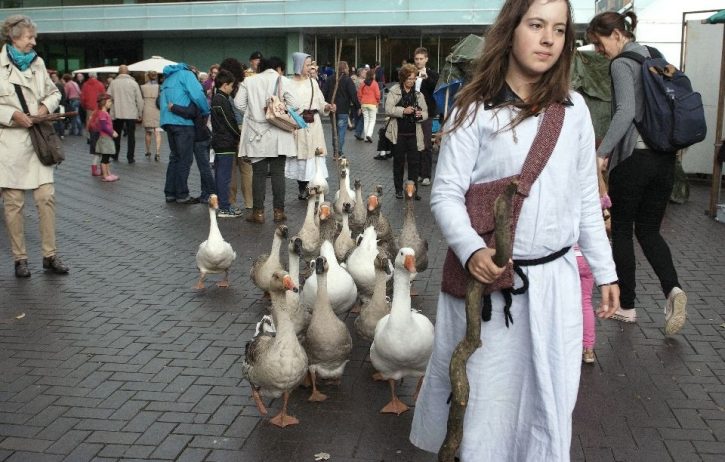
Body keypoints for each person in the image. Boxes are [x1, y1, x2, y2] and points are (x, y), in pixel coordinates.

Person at [409, 1, 620, 460]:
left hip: (555, 286)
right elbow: (445, 194)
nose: (548, 39)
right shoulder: (474, 109)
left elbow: (587, 199)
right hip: (490, 291)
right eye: (537, 25)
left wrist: (606, 272)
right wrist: (469, 251)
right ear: (511, 29)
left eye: (560, 30)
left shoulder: (575, 110)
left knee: (548, 401)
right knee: (484, 403)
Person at [587, 11, 687, 335]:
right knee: (649, 231)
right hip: (664, 159)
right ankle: (672, 290)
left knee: (622, 231)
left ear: (616, 34)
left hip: (634, 159)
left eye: (599, 43)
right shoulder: (655, 57)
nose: (600, 51)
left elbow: (626, 111)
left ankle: (627, 307)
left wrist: (601, 153)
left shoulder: (621, 64)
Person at [0, 14, 70, 277]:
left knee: (46, 198)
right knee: (14, 204)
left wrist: (44, 107)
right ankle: (20, 259)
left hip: (39, 142)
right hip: (10, 145)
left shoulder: (38, 63)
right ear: (14, 37)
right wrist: (11, 115)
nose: (34, 42)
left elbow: (54, 92)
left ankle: (50, 256)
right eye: (30, 37)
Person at [235, 56, 298, 224]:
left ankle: (258, 213)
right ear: (278, 67)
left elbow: (238, 104)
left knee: (259, 174)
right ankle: (278, 212)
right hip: (280, 133)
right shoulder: (284, 80)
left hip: (257, 134)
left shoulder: (249, 82)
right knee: (278, 173)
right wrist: (279, 110)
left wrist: (252, 115)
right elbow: (295, 105)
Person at [285, 52, 333, 201]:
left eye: (311, 64)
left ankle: (315, 186)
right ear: (299, 65)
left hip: (314, 124)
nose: (310, 67)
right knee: (302, 157)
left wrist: (327, 107)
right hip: (298, 124)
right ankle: (303, 187)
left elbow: (320, 101)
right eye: (307, 65)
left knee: (315, 156)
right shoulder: (288, 83)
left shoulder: (313, 82)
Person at [160, 62, 210, 204]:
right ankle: (182, 194)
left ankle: (170, 193)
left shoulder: (168, 78)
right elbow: (198, 95)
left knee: (174, 158)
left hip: (168, 122)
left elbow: (160, 102)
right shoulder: (186, 75)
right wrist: (205, 110)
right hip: (183, 123)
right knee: (185, 159)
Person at [383, 63, 427, 199]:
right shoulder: (394, 91)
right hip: (399, 134)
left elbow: (425, 112)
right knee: (399, 163)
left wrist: (420, 115)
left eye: (413, 79)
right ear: (403, 78)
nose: (411, 82)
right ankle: (398, 190)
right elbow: (388, 109)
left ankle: (413, 190)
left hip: (414, 133)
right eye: (409, 79)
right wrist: (403, 110)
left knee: (414, 163)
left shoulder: (418, 94)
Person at [220, 57, 253, 214]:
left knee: (231, 169)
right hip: (244, 129)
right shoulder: (244, 86)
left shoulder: (223, 88)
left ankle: (231, 200)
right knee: (247, 168)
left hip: (228, 131)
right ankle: (249, 201)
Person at [210, 69, 243, 218]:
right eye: (231, 85)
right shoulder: (221, 99)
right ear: (225, 85)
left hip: (221, 142)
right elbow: (229, 122)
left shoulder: (218, 98)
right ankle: (224, 207)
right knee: (224, 176)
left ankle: (223, 205)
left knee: (221, 175)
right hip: (225, 143)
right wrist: (238, 134)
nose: (232, 88)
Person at [413, 47, 439, 186]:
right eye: (416, 59)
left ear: (426, 59)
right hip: (412, 114)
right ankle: (418, 173)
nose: (418, 61)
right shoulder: (411, 73)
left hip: (427, 113)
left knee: (427, 145)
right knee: (416, 145)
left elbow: (435, 89)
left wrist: (426, 78)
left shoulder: (432, 74)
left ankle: (427, 175)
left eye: (421, 59)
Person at [107, 64, 143, 163]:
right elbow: (139, 100)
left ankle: (115, 154)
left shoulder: (113, 83)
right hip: (131, 113)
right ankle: (130, 157)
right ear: (127, 72)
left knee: (116, 135)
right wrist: (140, 113)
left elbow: (108, 97)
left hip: (117, 112)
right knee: (131, 136)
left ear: (119, 72)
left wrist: (108, 112)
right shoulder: (133, 83)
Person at [323, 60, 359, 157]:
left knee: (334, 130)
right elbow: (353, 95)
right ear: (345, 69)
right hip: (343, 110)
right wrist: (358, 106)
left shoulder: (330, 79)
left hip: (332, 109)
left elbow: (324, 93)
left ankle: (336, 150)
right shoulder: (347, 80)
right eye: (347, 68)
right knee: (341, 130)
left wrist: (327, 103)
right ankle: (338, 151)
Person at [88, 93, 120, 182]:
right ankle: (105, 175)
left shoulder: (105, 113)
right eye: (109, 101)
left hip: (107, 137)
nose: (111, 103)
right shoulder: (102, 113)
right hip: (105, 138)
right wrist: (112, 132)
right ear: (103, 102)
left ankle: (108, 173)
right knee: (105, 158)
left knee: (107, 157)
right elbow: (103, 126)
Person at [140, 71, 162, 161]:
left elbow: (141, 100)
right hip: (157, 110)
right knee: (157, 132)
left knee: (148, 132)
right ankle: (157, 152)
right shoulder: (159, 87)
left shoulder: (142, 87)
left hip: (147, 110)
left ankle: (148, 150)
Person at [357, 68, 381, 143]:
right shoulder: (375, 83)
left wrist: (361, 101)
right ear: (373, 75)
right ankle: (369, 135)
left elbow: (359, 94)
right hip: (372, 103)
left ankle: (365, 137)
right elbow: (377, 95)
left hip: (364, 104)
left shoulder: (363, 83)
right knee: (372, 120)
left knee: (366, 120)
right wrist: (378, 101)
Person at [80, 71, 106, 139]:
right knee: (99, 121)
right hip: (99, 106)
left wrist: (84, 105)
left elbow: (82, 97)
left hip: (89, 106)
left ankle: (89, 136)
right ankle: (98, 135)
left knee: (89, 121)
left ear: (89, 76)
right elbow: (104, 96)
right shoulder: (100, 84)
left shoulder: (85, 85)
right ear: (96, 76)